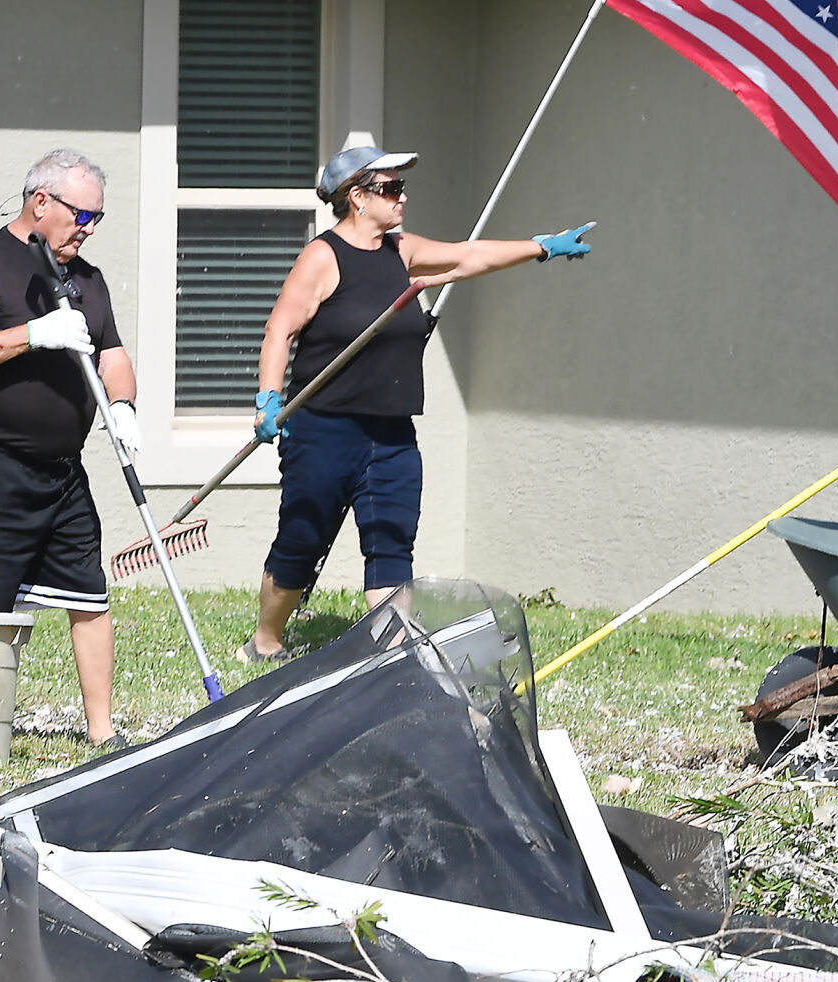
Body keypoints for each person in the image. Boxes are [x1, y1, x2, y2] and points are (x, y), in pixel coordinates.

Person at [242, 144, 593, 662]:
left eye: (402, 187)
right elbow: (280, 329)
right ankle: (267, 640)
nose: (402, 196)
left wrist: (541, 247)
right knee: (301, 540)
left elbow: (467, 255)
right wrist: (268, 398)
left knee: (391, 543)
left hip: (391, 434)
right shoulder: (323, 257)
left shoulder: (399, 252)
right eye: (390, 188)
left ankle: (391, 661)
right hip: (322, 430)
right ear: (357, 197)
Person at [0, 150, 141, 750]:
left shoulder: (89, 280)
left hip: (63, 472)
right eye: (83, 214)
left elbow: (113, 353)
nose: (90, 228)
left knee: (91, 595)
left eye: (98, 217)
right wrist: (32, 335)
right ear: (41, 201)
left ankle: (103, 732)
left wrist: (124, 405)